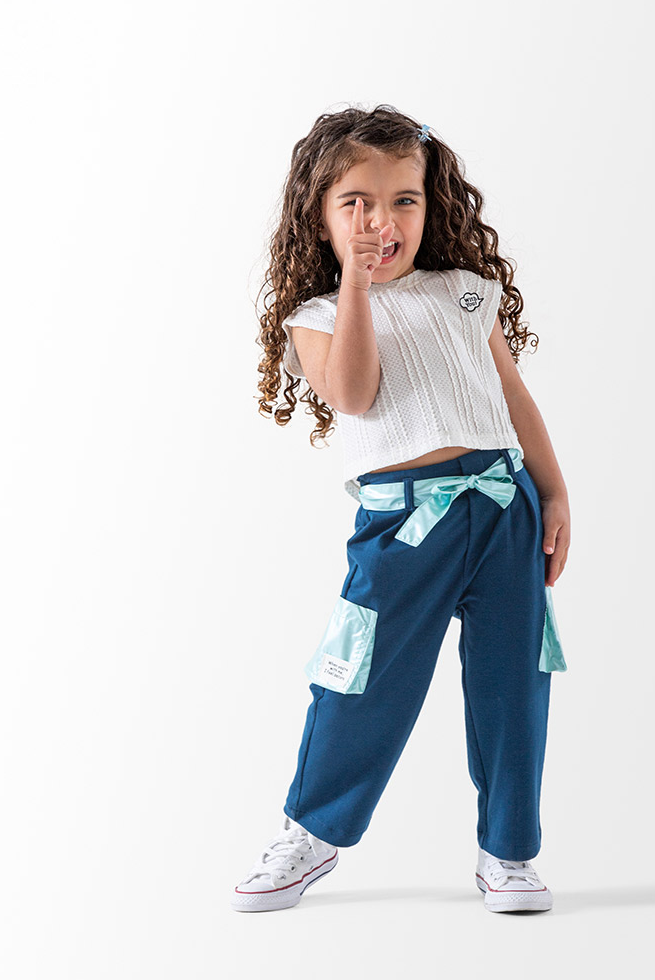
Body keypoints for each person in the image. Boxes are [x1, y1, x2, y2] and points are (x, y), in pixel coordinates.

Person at [233, 105, 570, 914]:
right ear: (319, 215)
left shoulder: (465, 294)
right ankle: (312, 832)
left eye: (403, 201)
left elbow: (513, 397)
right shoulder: (317, 317)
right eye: (355, 203)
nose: (380, 222)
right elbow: (354, 393)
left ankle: (508, 852)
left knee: (514, 684)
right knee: (359, 680)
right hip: (403, 526)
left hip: (505, 507)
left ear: (431, 205)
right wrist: (355, 282)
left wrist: (554, 491)